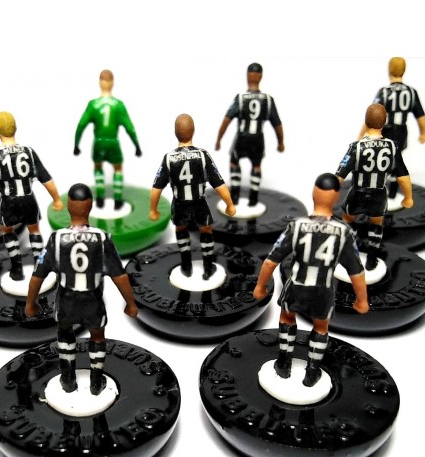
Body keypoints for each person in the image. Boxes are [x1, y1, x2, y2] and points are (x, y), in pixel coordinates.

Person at [253, 173, 368, 387]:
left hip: (297, 284)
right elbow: (356, 271)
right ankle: (312, 371)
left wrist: (260, 286)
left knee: (287, 317)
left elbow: (271, 261)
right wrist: (362, 299)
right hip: (323, 290)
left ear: (314, 194)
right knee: (321, 327)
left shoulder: (296, 226)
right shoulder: (344, 232)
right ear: (336, 198)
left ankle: (284, 362)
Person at [25, 183, 138, 395]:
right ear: (90, 206)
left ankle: (68, 380)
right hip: (92, 300)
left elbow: (38, 275)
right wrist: (130, 303)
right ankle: (96, 382)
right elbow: (119, 276)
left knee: (64, 333)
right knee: (98, 336)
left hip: (66, 300)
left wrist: (30, 303)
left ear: (69, 206)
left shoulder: (56, 239)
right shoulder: (102, 238)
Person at [149, 114, 236, 279]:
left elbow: (156, 188)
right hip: (199, 203)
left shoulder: (169, 158)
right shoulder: (202, 155)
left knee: (180, 228)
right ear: (194, 131)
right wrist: (229, 204)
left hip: (179, 204)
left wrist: (153, 209)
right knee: (206, 229)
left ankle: (186, 264)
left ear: (175, 133)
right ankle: (208, 266)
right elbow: (218, 183)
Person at [0, 111, 64, 280]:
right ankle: (39, 266)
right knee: (34, 230)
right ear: (15, 128)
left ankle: (17, 268)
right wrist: (56, 199)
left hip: (8, 201)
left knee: (6, 229)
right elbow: (45, 178)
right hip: (28, 199)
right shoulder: (28, 152)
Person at [337, 103, 413, 269]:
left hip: (357, 192)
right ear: (385, 122)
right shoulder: (392, 147)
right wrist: (408, 197)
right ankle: (372, 258)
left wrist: (330, 195)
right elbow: (402, 176)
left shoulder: (356, 147)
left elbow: (340, 174)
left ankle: (351, 254)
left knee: (348, 219)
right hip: (379, 194)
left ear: (365, 122)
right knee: (377, 223)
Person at [214, 62, 284, 206]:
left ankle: (235, 195)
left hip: (242, 137)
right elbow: (277, 124)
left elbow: (226, 120)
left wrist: (219, 139)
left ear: (247, 76)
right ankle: (253, 198)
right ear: (260, 77)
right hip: (258, 138)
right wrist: (280, 142)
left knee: (234, 162)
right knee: (256, 165)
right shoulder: (267, 100)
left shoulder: (241, 98)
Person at [73, 69, 142, 209]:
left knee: (98, 166)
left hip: (98, 143)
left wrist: (76, 144)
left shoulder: (93, 105)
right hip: (113, 142)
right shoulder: (118, 105)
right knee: (118, 168)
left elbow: (81, 125)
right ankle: (118, 200)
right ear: (112, 83)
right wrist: (137, 146)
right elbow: (130, 128)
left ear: (100, 82)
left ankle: (100, 198)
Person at [360, 57, 425, 198]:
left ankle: (380, 192)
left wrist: (362, 135)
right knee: (396, 161)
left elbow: (372, 114)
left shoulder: (385, 92)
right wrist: (423, 132)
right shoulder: (411, 92)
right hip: (401, 132)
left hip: (387, 131)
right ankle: (391, 194)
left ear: (389, 70)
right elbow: (420, 115)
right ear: (404, 71)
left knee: (381, 160)